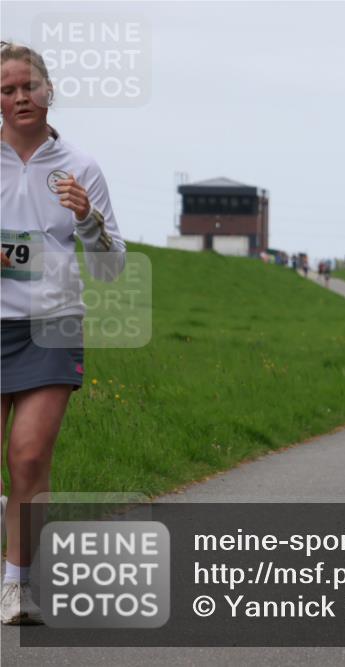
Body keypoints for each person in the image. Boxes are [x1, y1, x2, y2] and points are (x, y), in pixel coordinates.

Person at [1, 41, 126, 625]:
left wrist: (88, 219)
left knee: (28, 457)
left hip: (52, 324)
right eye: (8, 89)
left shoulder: (81, 166)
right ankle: (14, 519)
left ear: (50, 91)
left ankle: (14, 586)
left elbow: (110, 267)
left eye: (30, 86)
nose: (21, 97)